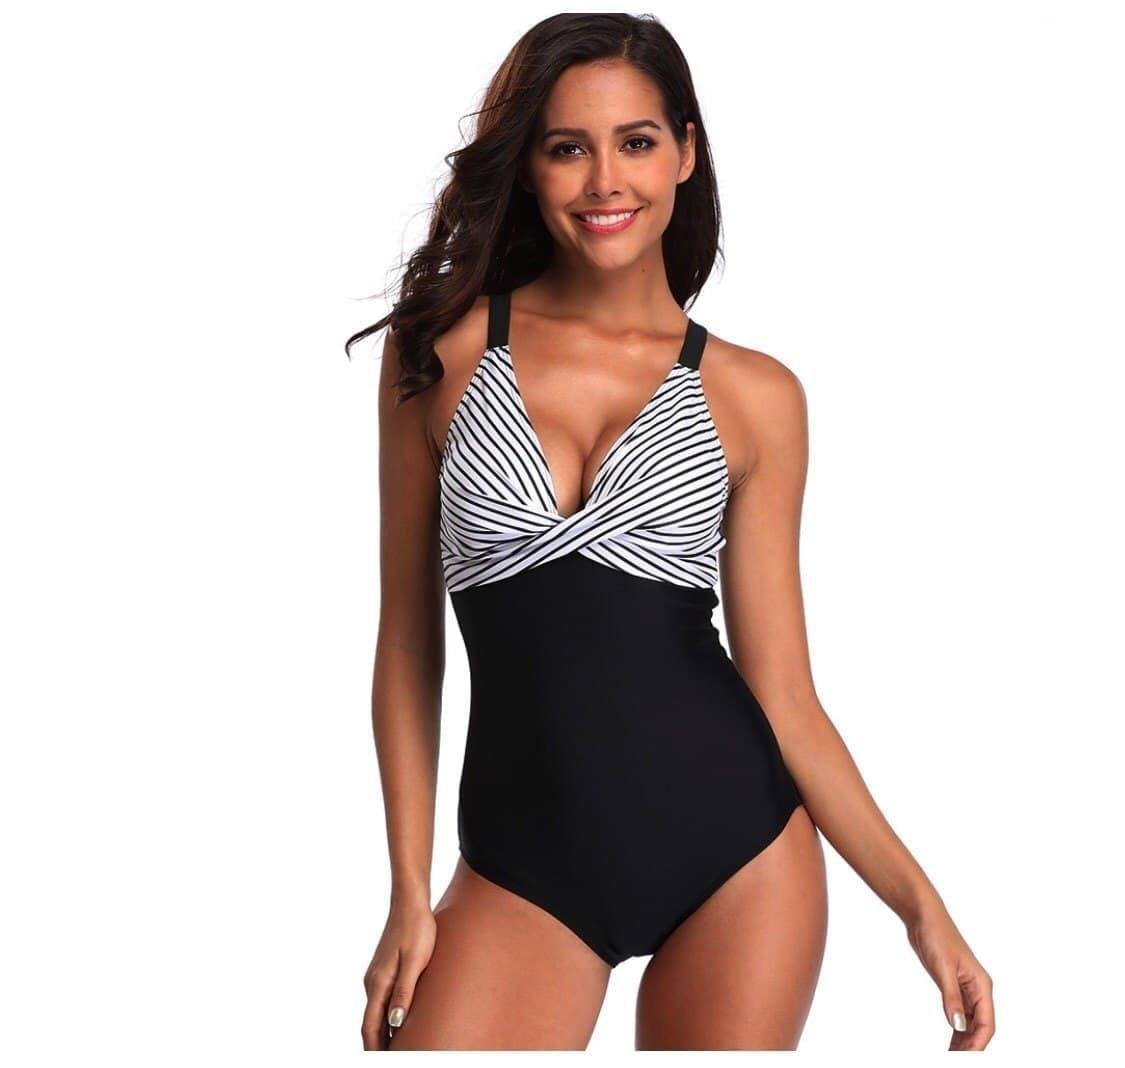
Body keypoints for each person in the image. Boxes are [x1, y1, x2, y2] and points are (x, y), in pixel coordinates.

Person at [347, 12, 994, 1051]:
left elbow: (784, 694)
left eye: (636, 142)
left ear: (685, 153)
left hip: (739, 855)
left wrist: (922, 908)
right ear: (528, 167)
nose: (605, 181)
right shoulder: (441, 353)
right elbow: (406, 642)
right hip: (521, 867)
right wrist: (407, 892)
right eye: (568, 147)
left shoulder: (754, 396)